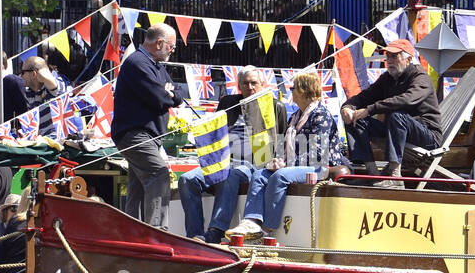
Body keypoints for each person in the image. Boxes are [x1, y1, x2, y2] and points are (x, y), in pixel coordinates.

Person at [227, 71, 344, 239]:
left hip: (320, 167)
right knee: (260, 175)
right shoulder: (296, 116)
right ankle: (252, 221)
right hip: (296, 165)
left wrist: (286, 165)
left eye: (293, 88)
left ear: (304, 91)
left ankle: (267, 230)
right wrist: (277, 159)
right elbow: (282, 144)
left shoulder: (321, 115)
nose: (291, 91)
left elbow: (318, 153)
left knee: (281, 175)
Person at [178, 65, 287, 244]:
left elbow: (281, 141)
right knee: (187, 179)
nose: (250, 88)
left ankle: (216, 231)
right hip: (222, 161)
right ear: (239, 85)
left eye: (254, 83)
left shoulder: (274, 106)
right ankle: (194, 235)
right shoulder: (229, 103)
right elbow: (215, 132)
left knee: (229, 174)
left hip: (252, 165)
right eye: (245, 84)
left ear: (262, 84)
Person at [341, 39, 442, 181]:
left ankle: (395, 175)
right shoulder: (388, 78)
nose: (390, 60)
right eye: (388, 56)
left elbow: (405, 100)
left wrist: (369, 110)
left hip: (427, 136)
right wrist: (347, 108)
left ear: (409, 59)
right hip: (397, 130)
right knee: (356, 119)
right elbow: (364, 97)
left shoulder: (420, 78)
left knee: (397, 115)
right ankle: (371, 171)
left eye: (394, 56)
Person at [110, 23, 177, 227]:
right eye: (172, 46)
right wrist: (167, 94)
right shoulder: (137, 63)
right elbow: (159, 98)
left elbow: (178, 95)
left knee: (137, 186)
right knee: (159, 174)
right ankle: (156, 231)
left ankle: (131, 230)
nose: (173, 50)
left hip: (148, 136)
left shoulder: (155, 65)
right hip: (135, 134)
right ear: (159, 43)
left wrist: (170, 93)